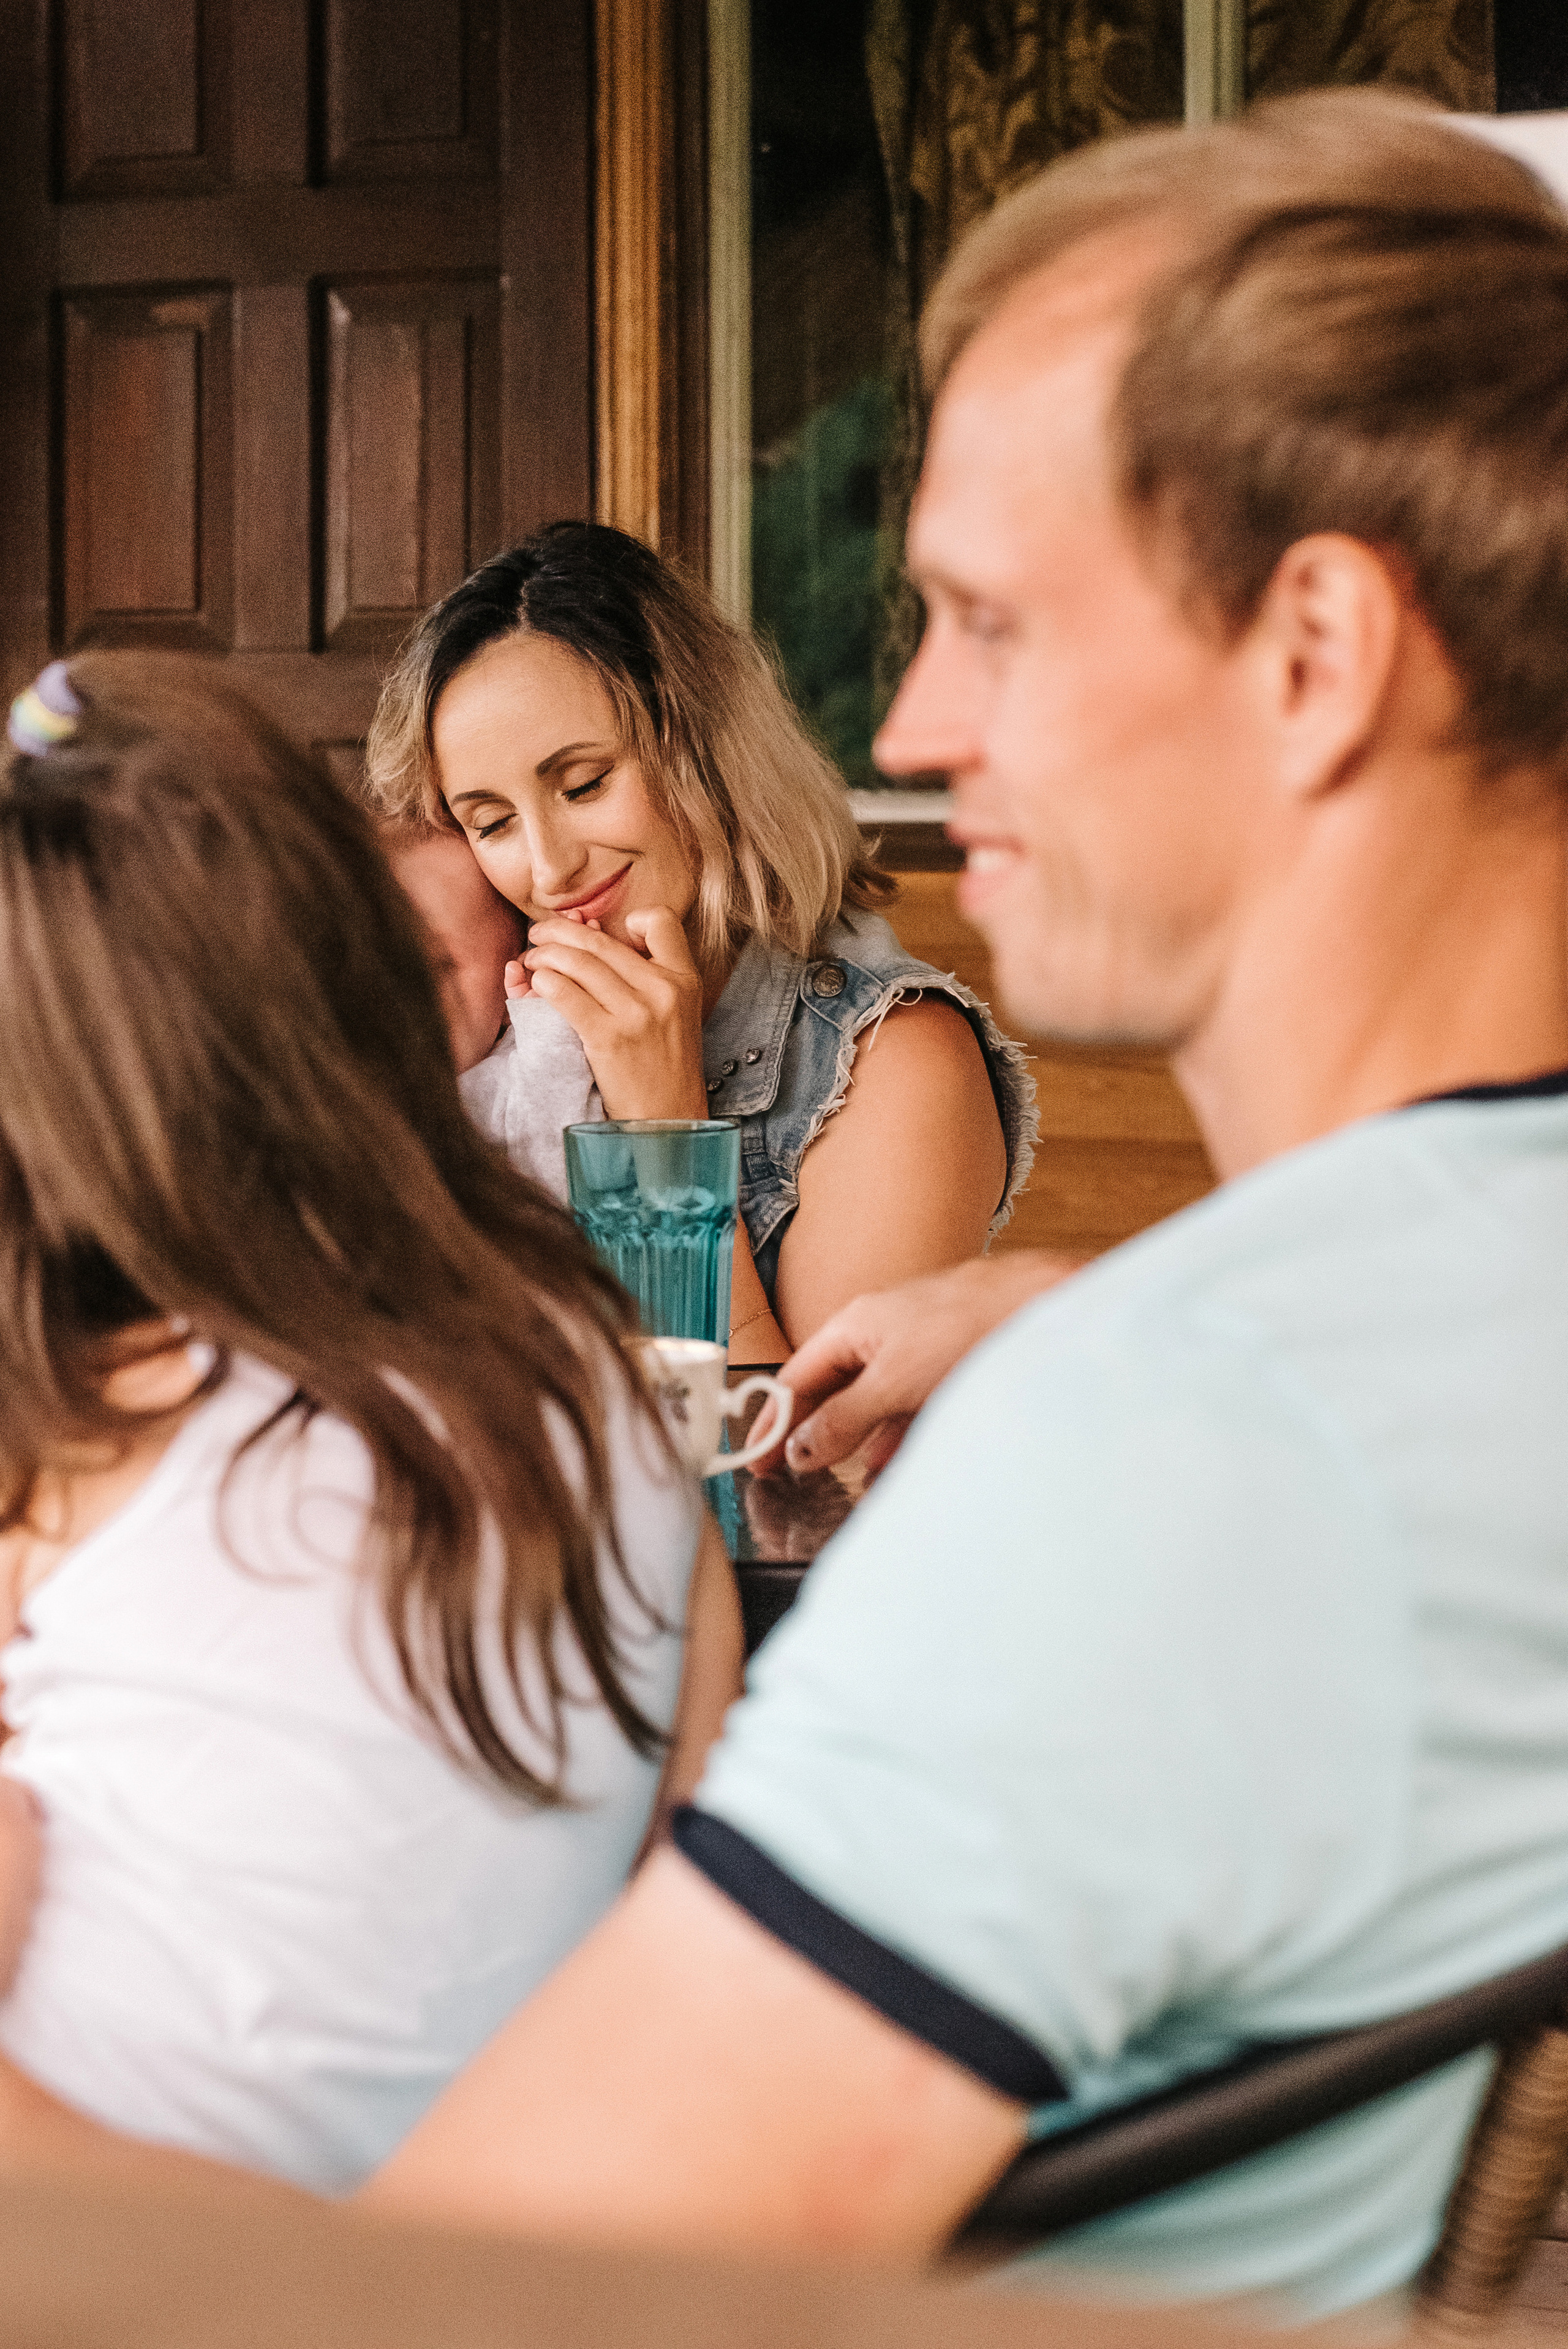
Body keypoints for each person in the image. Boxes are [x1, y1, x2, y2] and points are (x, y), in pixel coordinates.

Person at [2, 85, 1567, 2331]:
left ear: (1318, 652)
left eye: (992, 621)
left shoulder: (1174, 1449)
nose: (916, 717)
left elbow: (454, 2305)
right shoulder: (1448, 1295)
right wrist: (1082, 1299)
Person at [0, 652, 739, 2192]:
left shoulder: (77, 1430)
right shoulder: (600, 1369)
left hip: (138, 2269)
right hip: (496, 2236)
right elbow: (688, 1901)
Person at [363, 523, 1036, 1362]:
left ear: (705, 749)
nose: (550, 865)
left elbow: (812, 1480)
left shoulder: (894, 1061)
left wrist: (664, 1135)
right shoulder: (495, 1025)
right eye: (491, 822)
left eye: (585, 784)